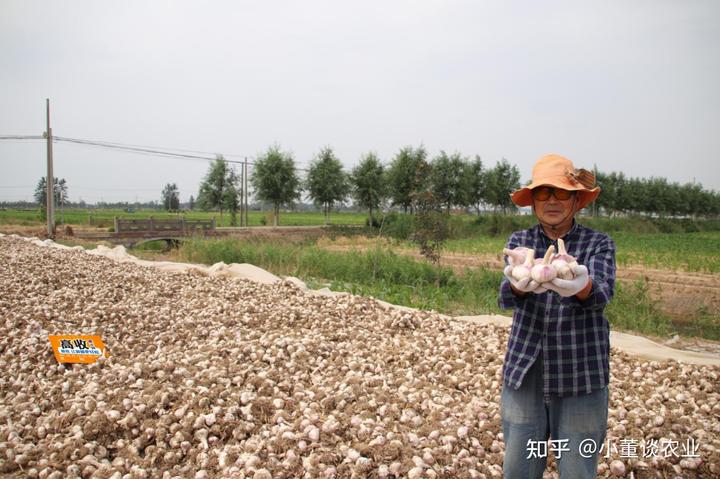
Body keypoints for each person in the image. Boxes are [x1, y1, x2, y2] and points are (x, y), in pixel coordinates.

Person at [498, 154, 616, 478]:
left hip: (582, 374)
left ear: (576, 200)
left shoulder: (598, 244)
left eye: (561, 193)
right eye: (543, 193)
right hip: (526, 371)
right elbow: (505, 296)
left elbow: (603, 293)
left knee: (578, 470)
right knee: (518, 469)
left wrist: (582, 285)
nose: (552, 200)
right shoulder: (520, 244)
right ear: (533, 201)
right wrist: (521, 284)